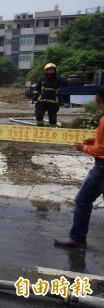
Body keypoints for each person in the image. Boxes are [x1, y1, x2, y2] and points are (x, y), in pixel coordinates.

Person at [54, 86, 104, 248]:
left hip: (102, 168)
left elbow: (101, 150)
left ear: (98, 101)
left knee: (82, 200)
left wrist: (83, 148)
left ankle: (77, 238)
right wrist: (94, 140)